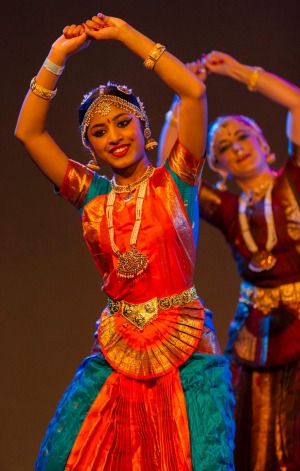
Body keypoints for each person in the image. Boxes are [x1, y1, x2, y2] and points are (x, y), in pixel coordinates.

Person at [15, 13, 235, 471]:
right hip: (117, 350)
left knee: (200, 460)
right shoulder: (90, 193)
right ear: (90, 148)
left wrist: (123, 35)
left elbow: (193, 92)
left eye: (122, 123)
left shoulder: (177, 179)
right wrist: (58, 55)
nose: (114, 136)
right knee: (68, 460)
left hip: (188, 348)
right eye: (100, 132)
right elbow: (28, 133)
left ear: (143, 128)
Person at [159, 50, 300, 470]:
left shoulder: (293, 180)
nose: (235, 148)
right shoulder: (223, 206)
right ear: (216, 165)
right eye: (223, 146)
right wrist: (180, 99)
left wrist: (237, 72)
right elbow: (171, 172)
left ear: (265, 145)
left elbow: (297, 104)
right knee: (254, 431)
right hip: (254, 332)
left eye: (242, 137)